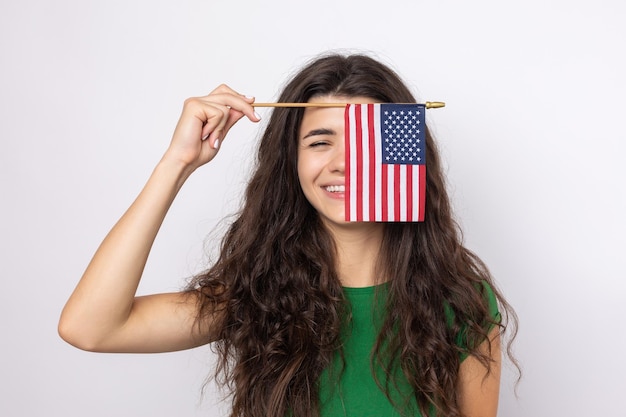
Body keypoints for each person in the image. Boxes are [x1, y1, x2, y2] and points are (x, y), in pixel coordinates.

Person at [59, 53, 517, 417]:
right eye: (320, 142)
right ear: (292, 163)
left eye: (366, 143)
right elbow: (91, 328)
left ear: (402, 155)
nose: (343, 162)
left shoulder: (460, 302)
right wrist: (177, 164)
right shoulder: (257, 296)